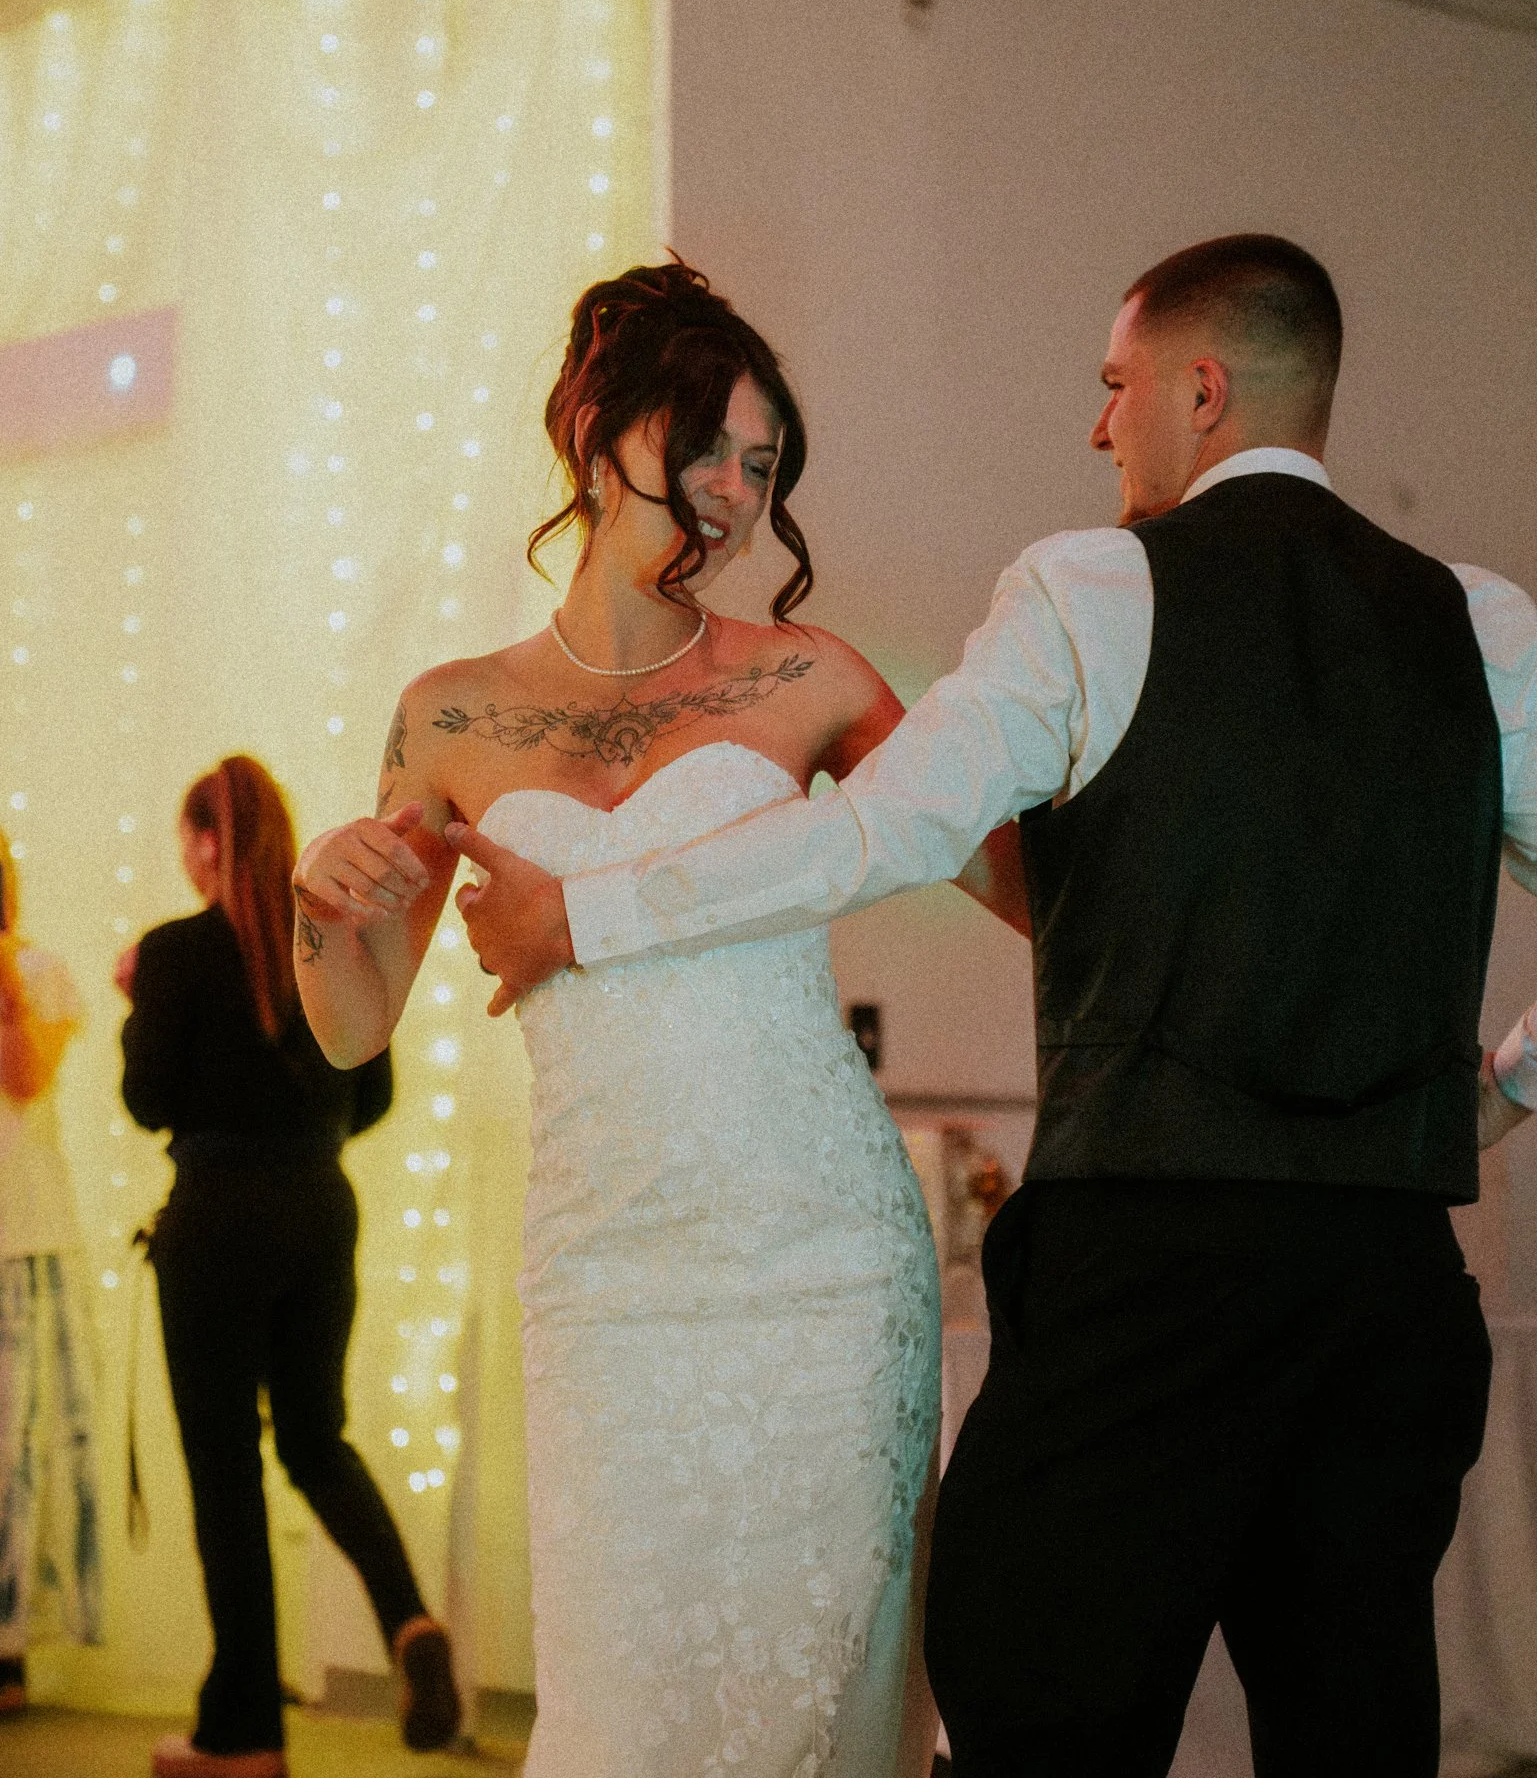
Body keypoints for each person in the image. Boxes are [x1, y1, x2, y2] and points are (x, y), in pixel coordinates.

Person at [455, 235, 1537, 1778]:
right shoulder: (1478, 621)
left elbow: (875, 833)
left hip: (1145, 1276)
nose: (1100, 427)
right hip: (1388, 1288)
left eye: (1114, 387)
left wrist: (586, 915)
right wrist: (1495, 1093)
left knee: (1031, 1706)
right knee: (1352, 1728)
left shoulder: (1089, 587)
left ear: (1201, 390)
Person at [291, 260, 1030, 1778]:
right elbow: (352, 1027)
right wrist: (322, 899)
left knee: (823, 1702)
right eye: (704, 446)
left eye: (763, 466)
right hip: (609, 1282)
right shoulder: (450, 713)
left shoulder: (809, 676)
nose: (734, 495)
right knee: (624, 1710)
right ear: (593, 429)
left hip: (824, 1266)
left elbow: (1023, 885)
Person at [119, 756, 459, 1778]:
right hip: (319, 1207)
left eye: (188, 842)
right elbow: (374, 1096)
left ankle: (243, 1734)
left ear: (206, 842)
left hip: (215, 1217)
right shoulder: (334, 939)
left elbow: (147, 1099)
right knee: (317, 1440)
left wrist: (138, 1000)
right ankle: (407, 1618)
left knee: (226, 1473)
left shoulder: (174, 952)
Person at [0, 832, 100, 1716]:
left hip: (19, 1237)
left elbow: (28, 1076)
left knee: (12, 1452)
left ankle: (7, 1648)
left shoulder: (37, 973)